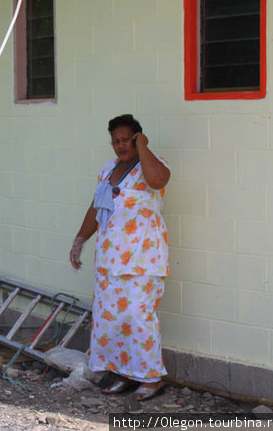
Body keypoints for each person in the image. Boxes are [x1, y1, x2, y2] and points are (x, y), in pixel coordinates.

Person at [69, 114, 170, 401]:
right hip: (110, 260)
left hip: (143, 259)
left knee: (139, 317)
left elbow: (158, 180)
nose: (121, 145)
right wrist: (80, 240)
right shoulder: (108, 169)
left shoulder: (153, 164)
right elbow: (96, 207)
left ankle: (151, 379)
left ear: (138, 137)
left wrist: (144, 148)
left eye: (127, 139)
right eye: (116, 141)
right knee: (111, 320)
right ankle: (124, 374)